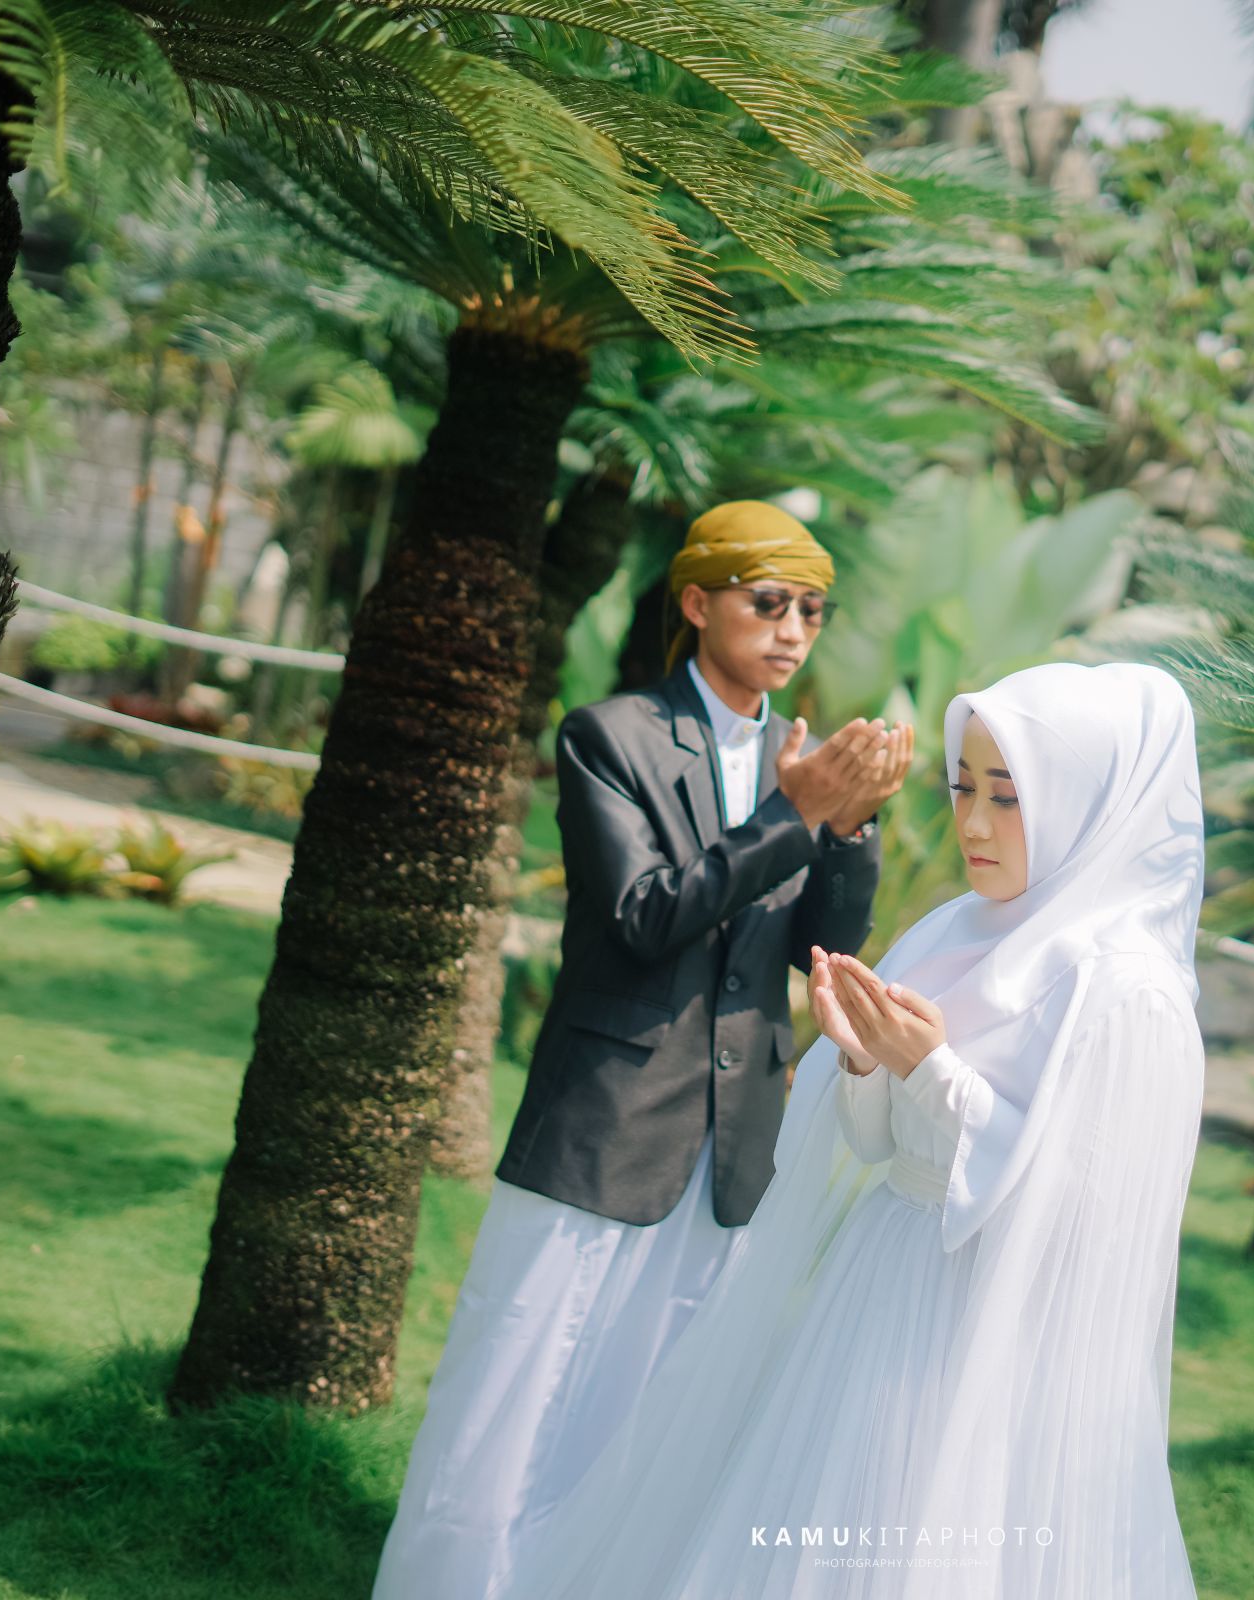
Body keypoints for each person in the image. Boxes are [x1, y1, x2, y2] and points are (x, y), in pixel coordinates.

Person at [500, 659, 1209, 1600]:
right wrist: (869, 1062)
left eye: (1009, 797)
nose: (973, 824)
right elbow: (881, 1146)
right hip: (882, 1277)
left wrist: (929, 1070)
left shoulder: (1128, 991)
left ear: (1090, 804)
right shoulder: (958, 929)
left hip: (991, 1325)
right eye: (963, 788)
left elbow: (1089, 1214)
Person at [373, 499, 914, 1600]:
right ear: (697, 603)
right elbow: (640, 918)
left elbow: (822, 948)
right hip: (604, 1120)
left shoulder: (801, 759)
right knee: (513, 1392)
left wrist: (848, 827)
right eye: (769, 602)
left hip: (733, 1143)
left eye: (812, 609)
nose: (793, 629)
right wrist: (795, 815)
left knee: (654, 1406)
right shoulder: (607, 735)